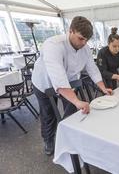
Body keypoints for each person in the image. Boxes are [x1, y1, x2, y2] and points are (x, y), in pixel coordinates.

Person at [32, 16, 112, 155]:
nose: (83, 43)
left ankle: (69, 136)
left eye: (87, 40)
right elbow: (58, 76)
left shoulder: (85, 48)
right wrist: (76, 100)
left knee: (72, 110)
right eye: (81, 38)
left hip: (68, 83)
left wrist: (103, 88)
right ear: (71, 31)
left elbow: (92, 69)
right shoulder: (53, 45)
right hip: (44, 83)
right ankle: (49, 140)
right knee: (49, 114)